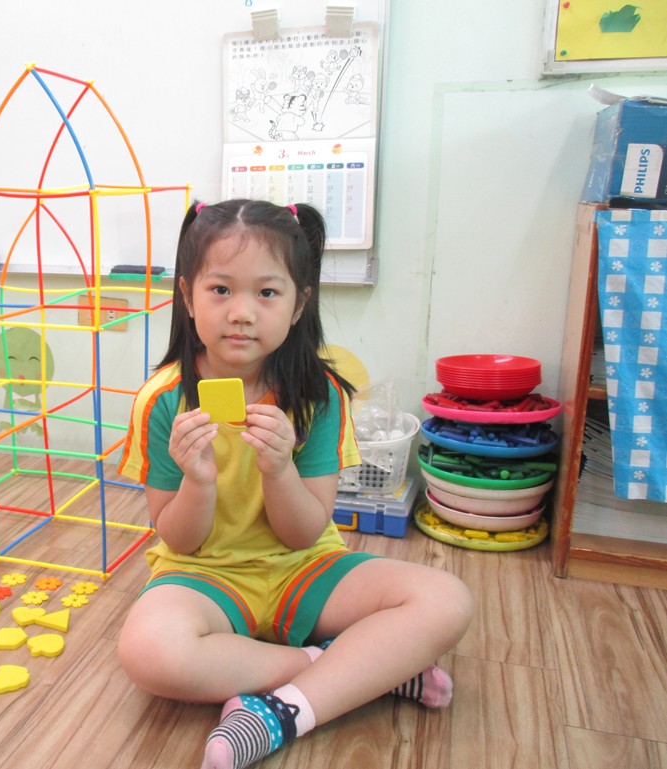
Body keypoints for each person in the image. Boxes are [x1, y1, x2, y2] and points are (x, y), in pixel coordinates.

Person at [116, 199, 473, 769]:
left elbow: (306, 532)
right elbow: (177, 540)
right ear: (187, 296)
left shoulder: (319, 395)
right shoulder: (161, 399)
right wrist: (199, 483)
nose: (241, 313)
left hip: (303, 567)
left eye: (267, 292)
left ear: (299, 303)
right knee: (148, 652)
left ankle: (279, 713)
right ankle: (355, 671)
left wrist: (279, 468)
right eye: (220, 290)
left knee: (446, 599)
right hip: (204, 576)